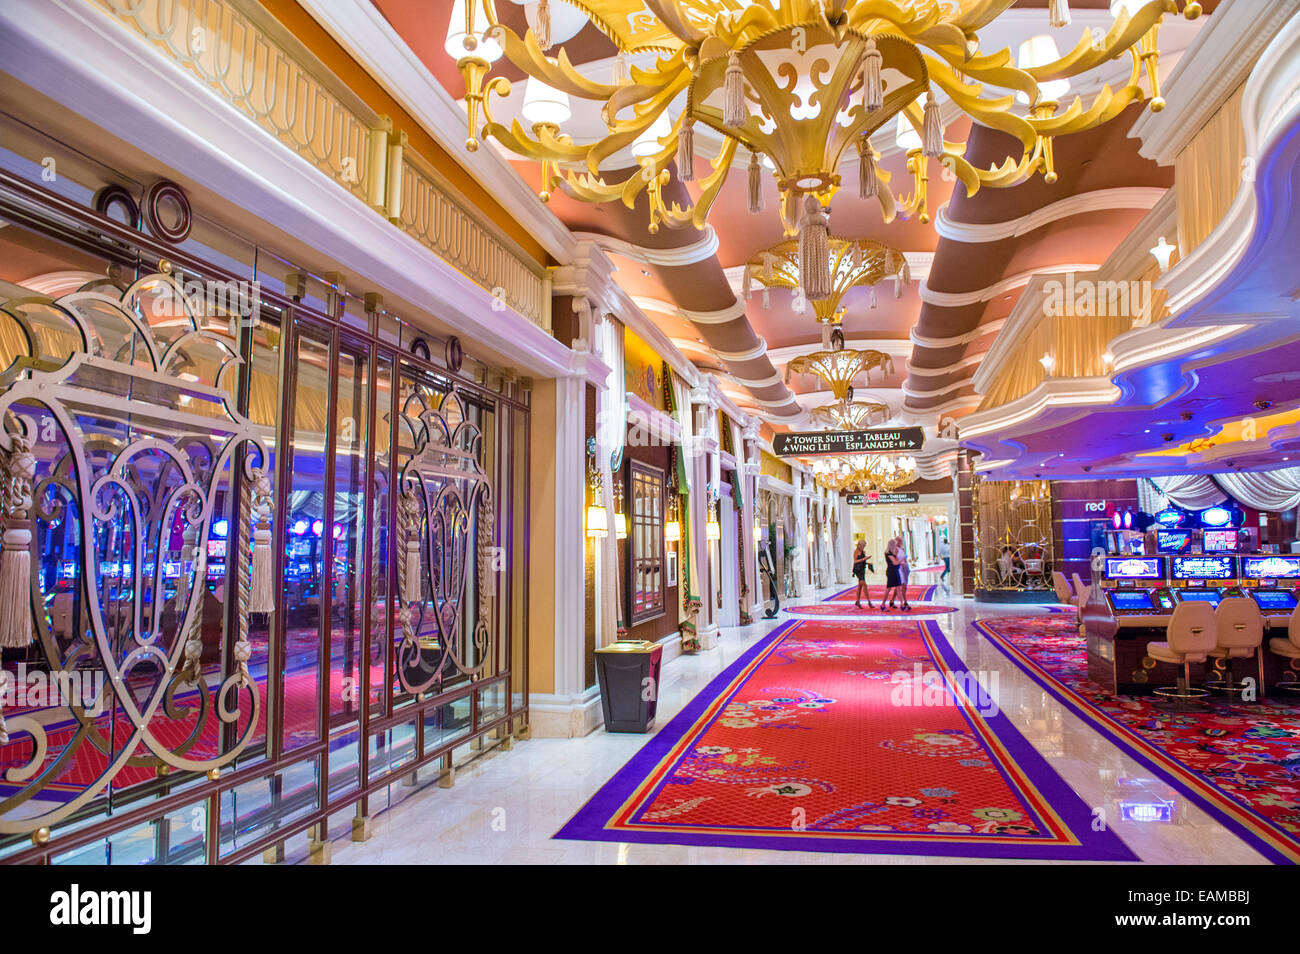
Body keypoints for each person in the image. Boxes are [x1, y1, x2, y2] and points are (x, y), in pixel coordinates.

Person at [851, 538, 874, 609]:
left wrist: (867, 562)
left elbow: (862, 561)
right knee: (864, 585)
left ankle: (858, 601)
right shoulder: (856, 551)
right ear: (859, 545)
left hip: (862, 570)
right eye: (863, 546)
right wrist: (864, 559)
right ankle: (869, 602)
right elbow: (855, 561)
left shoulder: (863, 552)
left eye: (864, 546)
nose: (863, 547)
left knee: (860, 586)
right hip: (858, 570)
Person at [884, 536, 902, 610]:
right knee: (888, 589)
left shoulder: (892, 553)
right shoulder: (888, 554)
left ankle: (902, 604)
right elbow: (895, 562)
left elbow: (896, 560)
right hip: (891, 572)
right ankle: (882, 604)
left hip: (895, 571)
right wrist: (902, 559)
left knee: (898, 588)